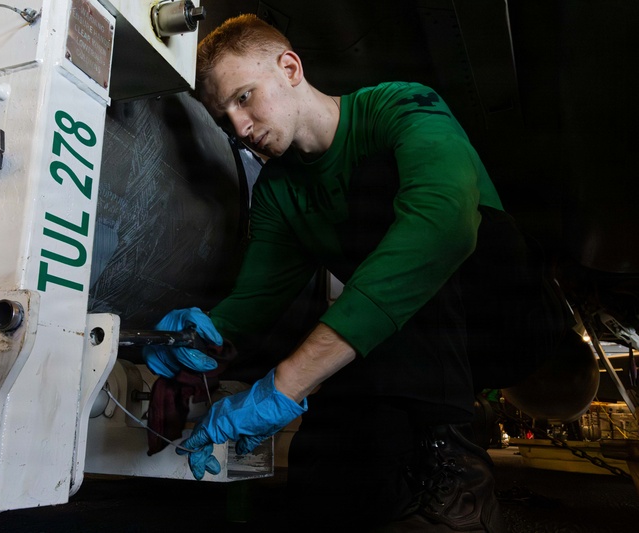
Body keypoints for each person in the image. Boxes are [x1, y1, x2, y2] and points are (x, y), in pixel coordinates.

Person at [142, 13, 526, 532]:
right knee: (326, 459)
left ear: (290, 67)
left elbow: (445, 227)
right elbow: (260, 294)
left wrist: (285, 384)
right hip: (396, 332)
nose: (239, 128)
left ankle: (454, 472)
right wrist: (203, 338)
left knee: (410, 254)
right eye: (222, 117)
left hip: (494, 307)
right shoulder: (279, 189)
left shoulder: (399, 106)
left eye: (244, 97)